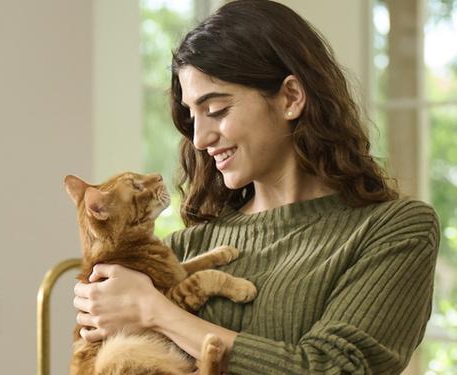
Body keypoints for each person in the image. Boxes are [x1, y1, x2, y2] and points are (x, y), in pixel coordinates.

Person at [72, 0, 440, 374]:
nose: (199, 138)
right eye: (192, 116)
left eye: (216, 110)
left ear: (291, 97)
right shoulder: (185, 249)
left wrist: (155, 312)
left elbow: (335, 368)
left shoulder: (394, 229)